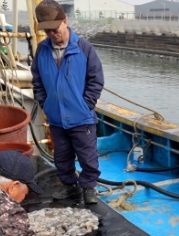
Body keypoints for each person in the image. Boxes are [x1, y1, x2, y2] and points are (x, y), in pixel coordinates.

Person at [31, 0, 104, 205]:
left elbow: (96, 79)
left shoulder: (84, 48)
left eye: (55, 29)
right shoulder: (42, 50)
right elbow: (37, 80)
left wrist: (86, 104)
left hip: (81, 117)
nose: (53, 34)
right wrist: (46, 104)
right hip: (56, 118)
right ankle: (70, 187)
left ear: (65, 21)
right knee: (62, 156)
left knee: (87, 156)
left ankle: (88, 188)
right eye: (47, 31)